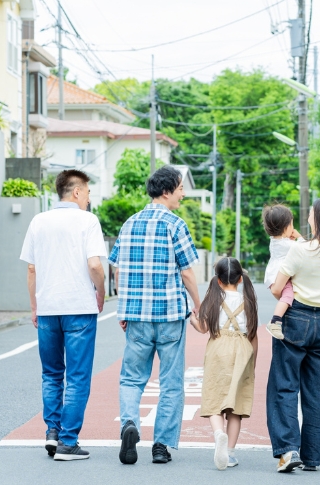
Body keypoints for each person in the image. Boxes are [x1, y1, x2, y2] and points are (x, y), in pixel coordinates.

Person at [109, 165, 202, 466]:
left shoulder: (129, 224)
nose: (183, 194)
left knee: (132, 378)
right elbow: (187, 272)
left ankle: (129, 424)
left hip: (136, 314)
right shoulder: (175, 225)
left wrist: (123, 307)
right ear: (166, 191)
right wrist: (199, 306)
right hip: (171, 314)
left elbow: (118, 269)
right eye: (180, 188)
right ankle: (161, 446)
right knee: (171, 381)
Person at [20, 169, 107, 461]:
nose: (88, 199)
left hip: (47, 310)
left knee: (52, 374)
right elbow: (94, 265)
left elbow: (31, 269)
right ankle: (69, 442)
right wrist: (101, 291)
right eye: (88, 193)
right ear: (78, 192)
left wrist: (34, 306)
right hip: (79, 309)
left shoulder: (38, 221)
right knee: (78, 376)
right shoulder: (88, 221)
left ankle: (53, 433)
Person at [266, 197, 320, 473]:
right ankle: (312, 456)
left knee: (284, 385)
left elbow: (278, 289)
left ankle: (289, 450)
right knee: (316, 391)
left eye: (312, 214)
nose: (309, 217)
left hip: (294, 318)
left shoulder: (300, 251)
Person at [192, 257, 259, 471]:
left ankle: (218, 434)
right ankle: (229, 452)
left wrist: (192, 319)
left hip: (218, 347)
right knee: (235, 408)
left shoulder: (213, 298)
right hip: (242, 349)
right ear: (240, 279)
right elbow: (253, 335)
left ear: (218, 281)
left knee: (214, 397)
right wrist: (253, 362)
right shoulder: (247, 300)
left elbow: (203, 328)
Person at [261, 204, 304, 340]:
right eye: (292, 224)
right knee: (287, 296)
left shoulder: (275, 241)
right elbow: (306, 248)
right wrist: (300, 237)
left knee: (286, 298)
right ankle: (275, 321)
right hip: (280, 276)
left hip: (273, 274)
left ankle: (278, 319)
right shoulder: (288, 245)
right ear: (286, 227)